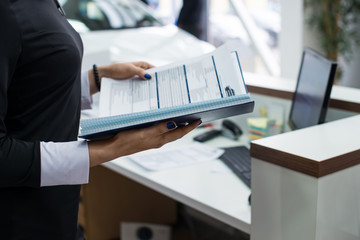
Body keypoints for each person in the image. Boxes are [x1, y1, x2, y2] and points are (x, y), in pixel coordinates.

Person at [0, 0, 200, 239]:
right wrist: (116, 147)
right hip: (19, 219)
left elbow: (29, 84)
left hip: (55, 208)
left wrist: (100, 77)